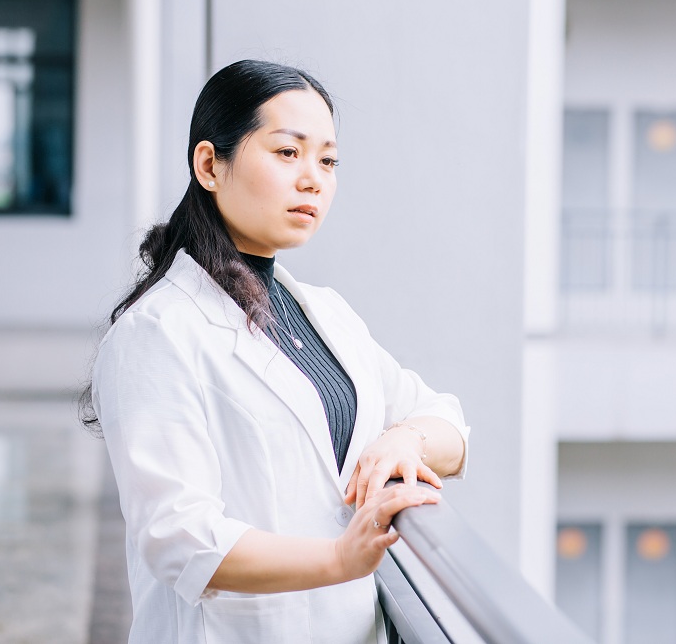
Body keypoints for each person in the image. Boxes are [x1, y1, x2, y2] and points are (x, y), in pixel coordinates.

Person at [81, 59, 469, 643]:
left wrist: (401, 440)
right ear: (210, 165)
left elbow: (448, 424)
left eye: (328, 160)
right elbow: (178, 538)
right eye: (288, 152)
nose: (313, 178)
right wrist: (340, 560)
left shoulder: (325, 314)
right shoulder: (156, 332)